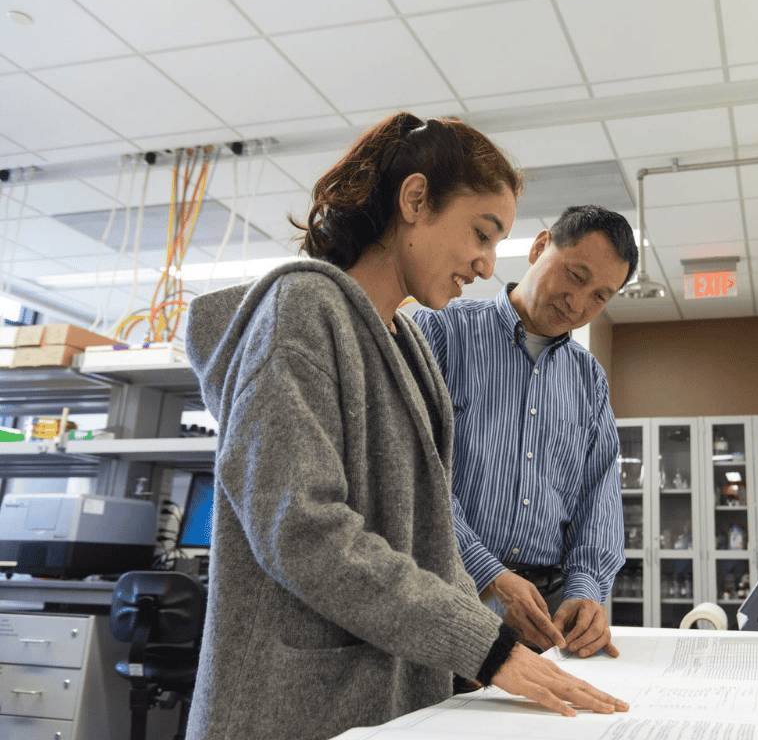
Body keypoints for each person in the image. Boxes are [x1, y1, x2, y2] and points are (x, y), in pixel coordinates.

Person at [183, 114, 627, 740]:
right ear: (415, 200)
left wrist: (487, 645)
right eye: (482, 232)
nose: (483, 264)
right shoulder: (302, 312)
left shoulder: (406, 343)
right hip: (293, 704)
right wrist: (488, 646)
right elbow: (303, 529)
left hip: (388, 690)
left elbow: (427, 527)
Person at [414, 205, 636, 660]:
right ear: (540, 247)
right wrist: (488, 573)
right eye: (575, 275)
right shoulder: (440, 333)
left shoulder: (588, 378)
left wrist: (588, 589)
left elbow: (598, 492)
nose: (578, 303)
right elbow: (415, 472)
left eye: (599, 296)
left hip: (548, 617)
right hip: (450, 600)